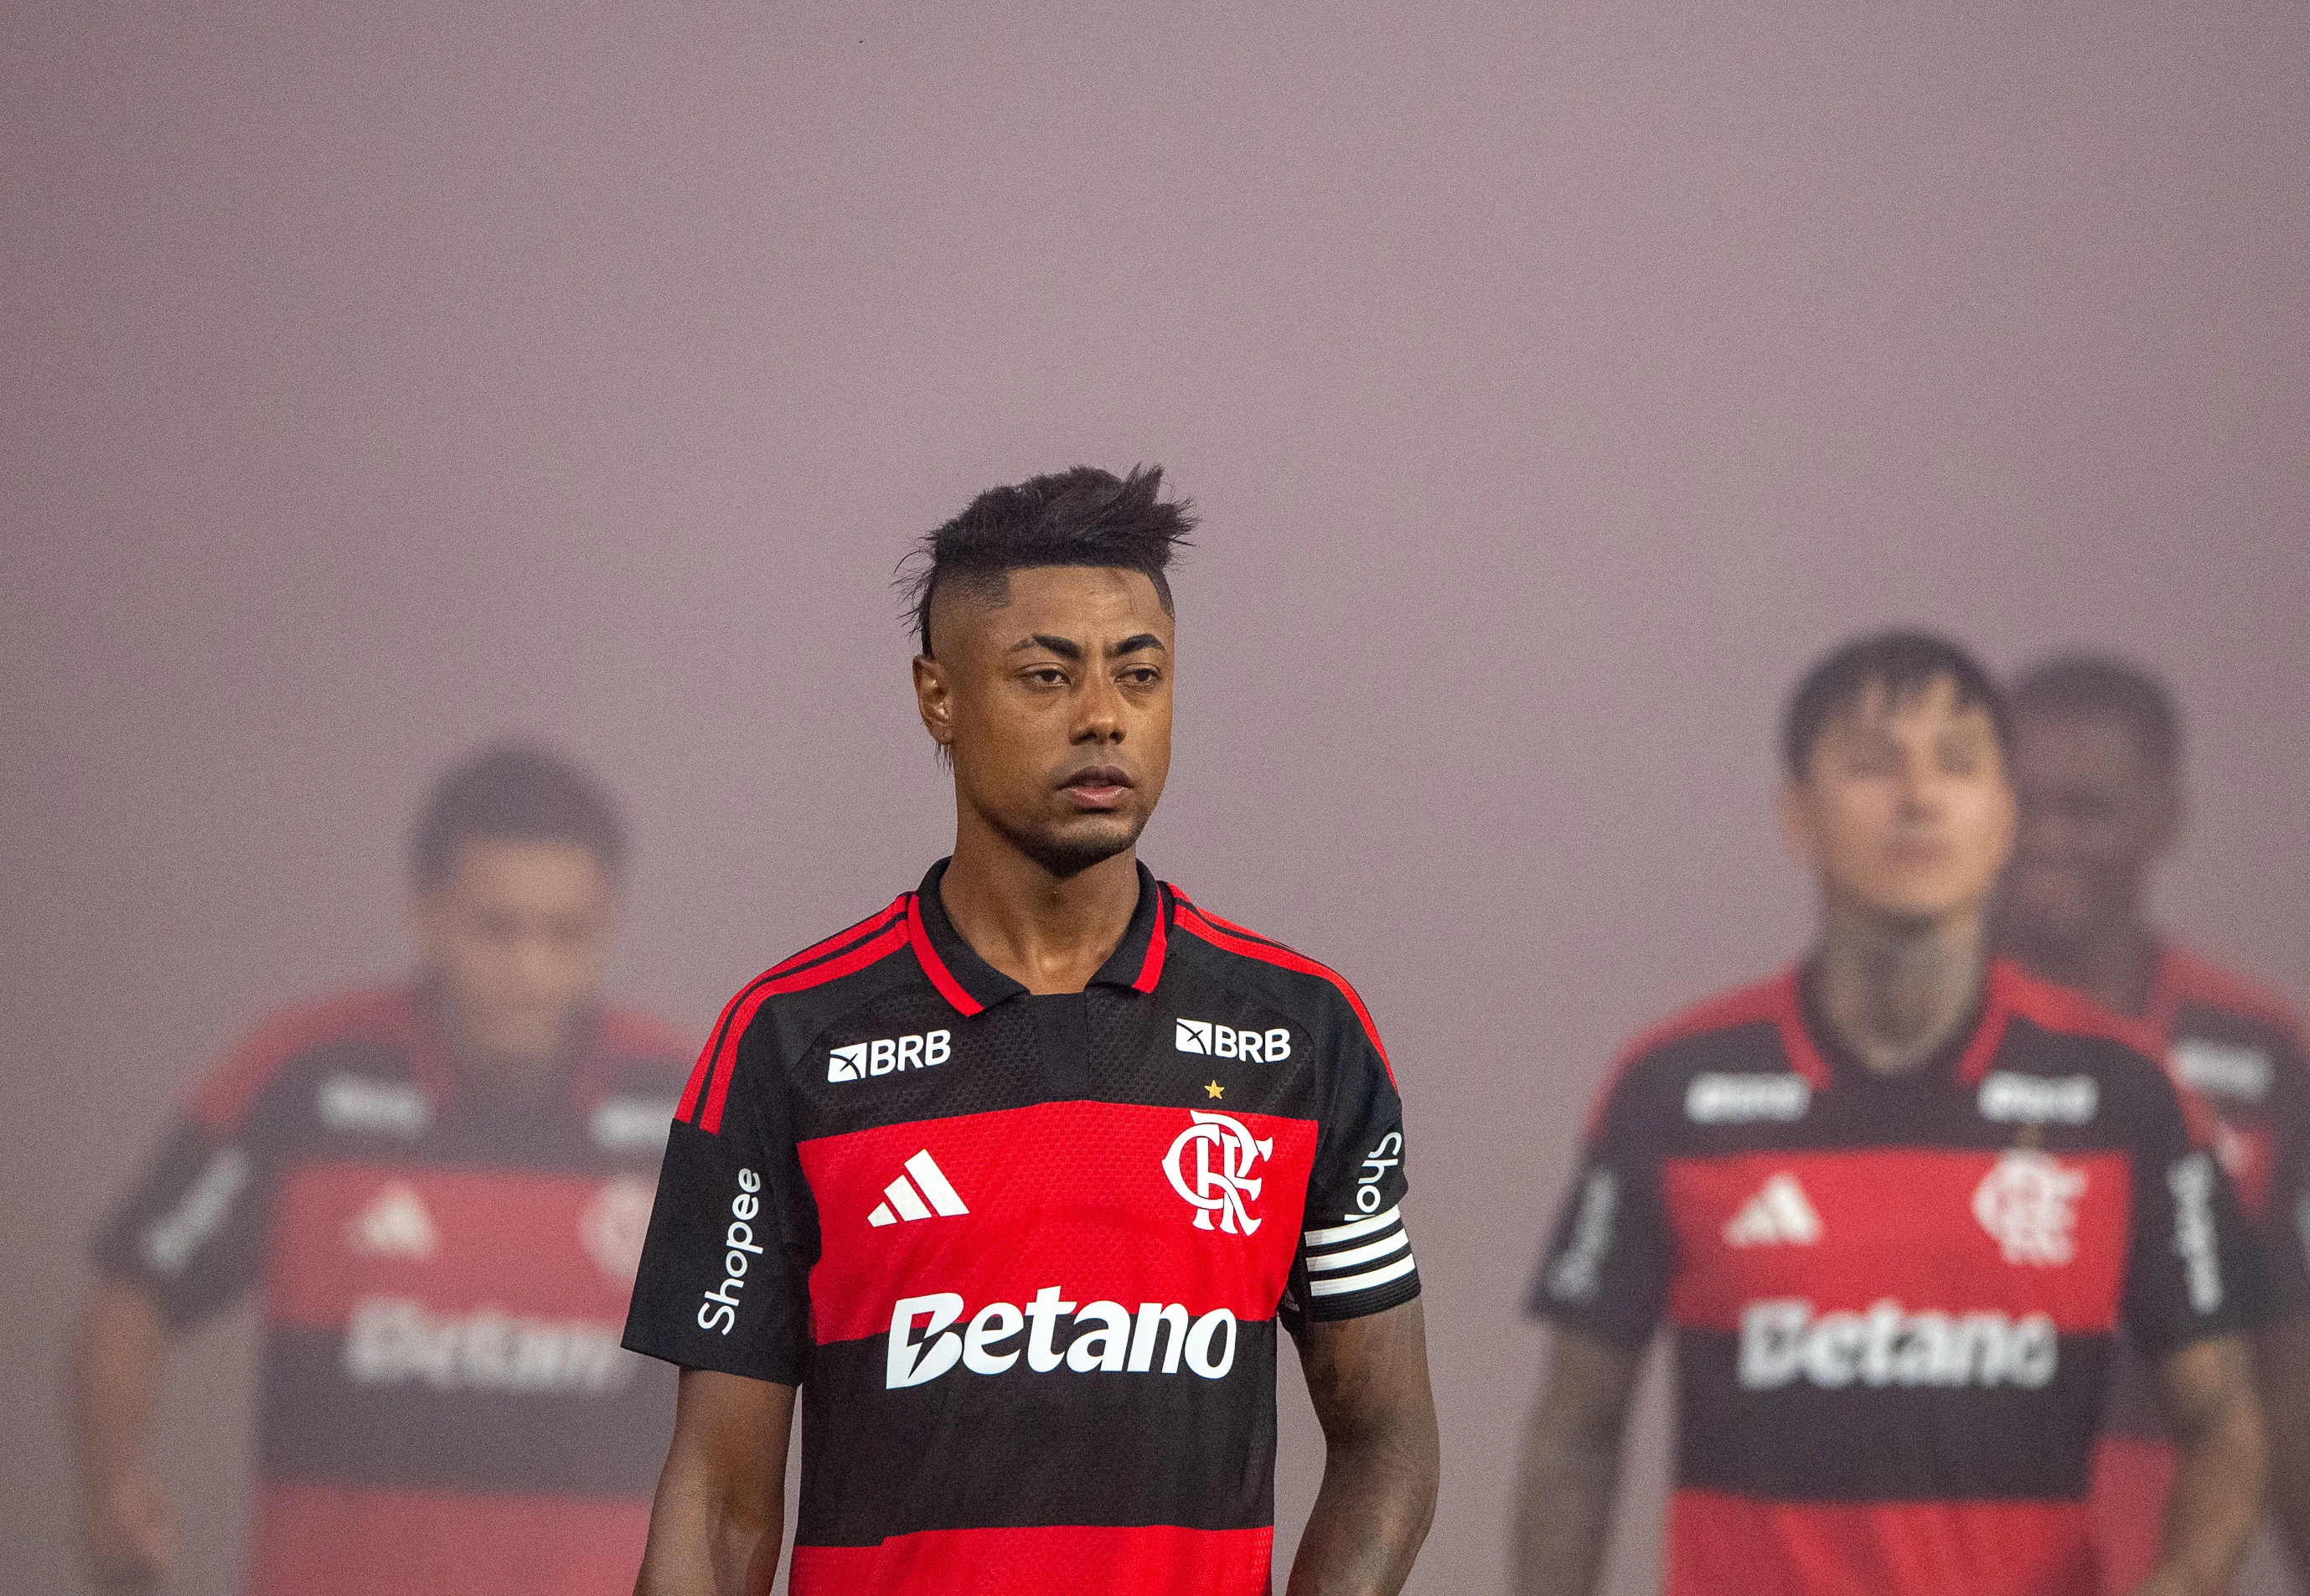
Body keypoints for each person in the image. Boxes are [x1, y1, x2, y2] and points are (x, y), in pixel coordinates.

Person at [624, 466, 1438, 1596]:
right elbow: (717, 1502)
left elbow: (1387, 1442)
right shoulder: (788, 1039)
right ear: (937, 695)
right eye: (1047, 675)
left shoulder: (1303, 1035)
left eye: (1140, 675)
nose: (1104, 716)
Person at [1512, 631, 2267, 1596]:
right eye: (1872, 764)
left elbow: (2225, 1422)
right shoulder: (1674, 1085)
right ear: (1798, 816)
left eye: (1957, 764)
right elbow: (1575, 1430)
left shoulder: (2126, 1093)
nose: (1918, 796)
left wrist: (2186, 1576)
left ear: (2004, 816)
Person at [70, 744, 691, 1595]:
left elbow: (774, 1347)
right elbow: (135, 1286)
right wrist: (112, 1482)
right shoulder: (305, 1078)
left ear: (610, 920)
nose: (530, 967)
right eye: (497, 926)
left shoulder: (682, 1102)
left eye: (564, 932)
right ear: (426, 908)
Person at [1997, 654, 2310, 1596]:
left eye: (2086, 809)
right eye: (2023, 805)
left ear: (2166, 814)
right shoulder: (1902, 1043)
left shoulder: (2254, 1051)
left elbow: (2299, 1381)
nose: (2048, 837)